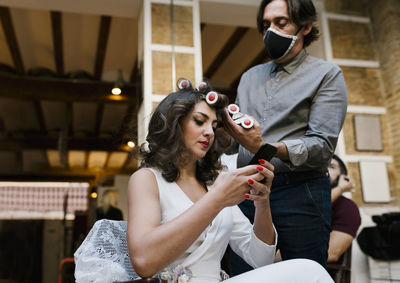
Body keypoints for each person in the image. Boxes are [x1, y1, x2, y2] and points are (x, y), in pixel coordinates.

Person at [126, 79, 333, 283]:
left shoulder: (213, 183)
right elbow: (144, 262)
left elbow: (260, 259)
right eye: (199, 121)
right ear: (174, 123)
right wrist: (216, 199)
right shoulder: (147, 179)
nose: (209, 132)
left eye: (214, 126)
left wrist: (262, 202)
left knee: (308, 269)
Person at [225, 0, 348, 273]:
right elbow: (235, 143)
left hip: (301, 192)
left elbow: (322, 146)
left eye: (281, 23)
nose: (271, 31)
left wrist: (264, 147)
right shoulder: (249, 77)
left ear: (305, 26)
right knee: (244, 275)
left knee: (302, 273)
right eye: (266, 25)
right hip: (249, 191)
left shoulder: (327, 75)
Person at [327, 155, 361, 263]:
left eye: (331, 166)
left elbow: (331, 254)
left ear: (343, 177)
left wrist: (340, 188)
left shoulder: (348, 208)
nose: (324, 169)